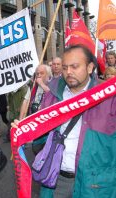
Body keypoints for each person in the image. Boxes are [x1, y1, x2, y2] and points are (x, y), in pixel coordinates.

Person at [29, 45, 116, 197]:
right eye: (65, 67)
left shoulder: (109, 98)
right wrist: (25, 129)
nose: (68, 72)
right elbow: (39, 137)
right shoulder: (52, 95)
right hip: (56, 181)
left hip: (95, 184)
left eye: (74, 66)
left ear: (90, 67)